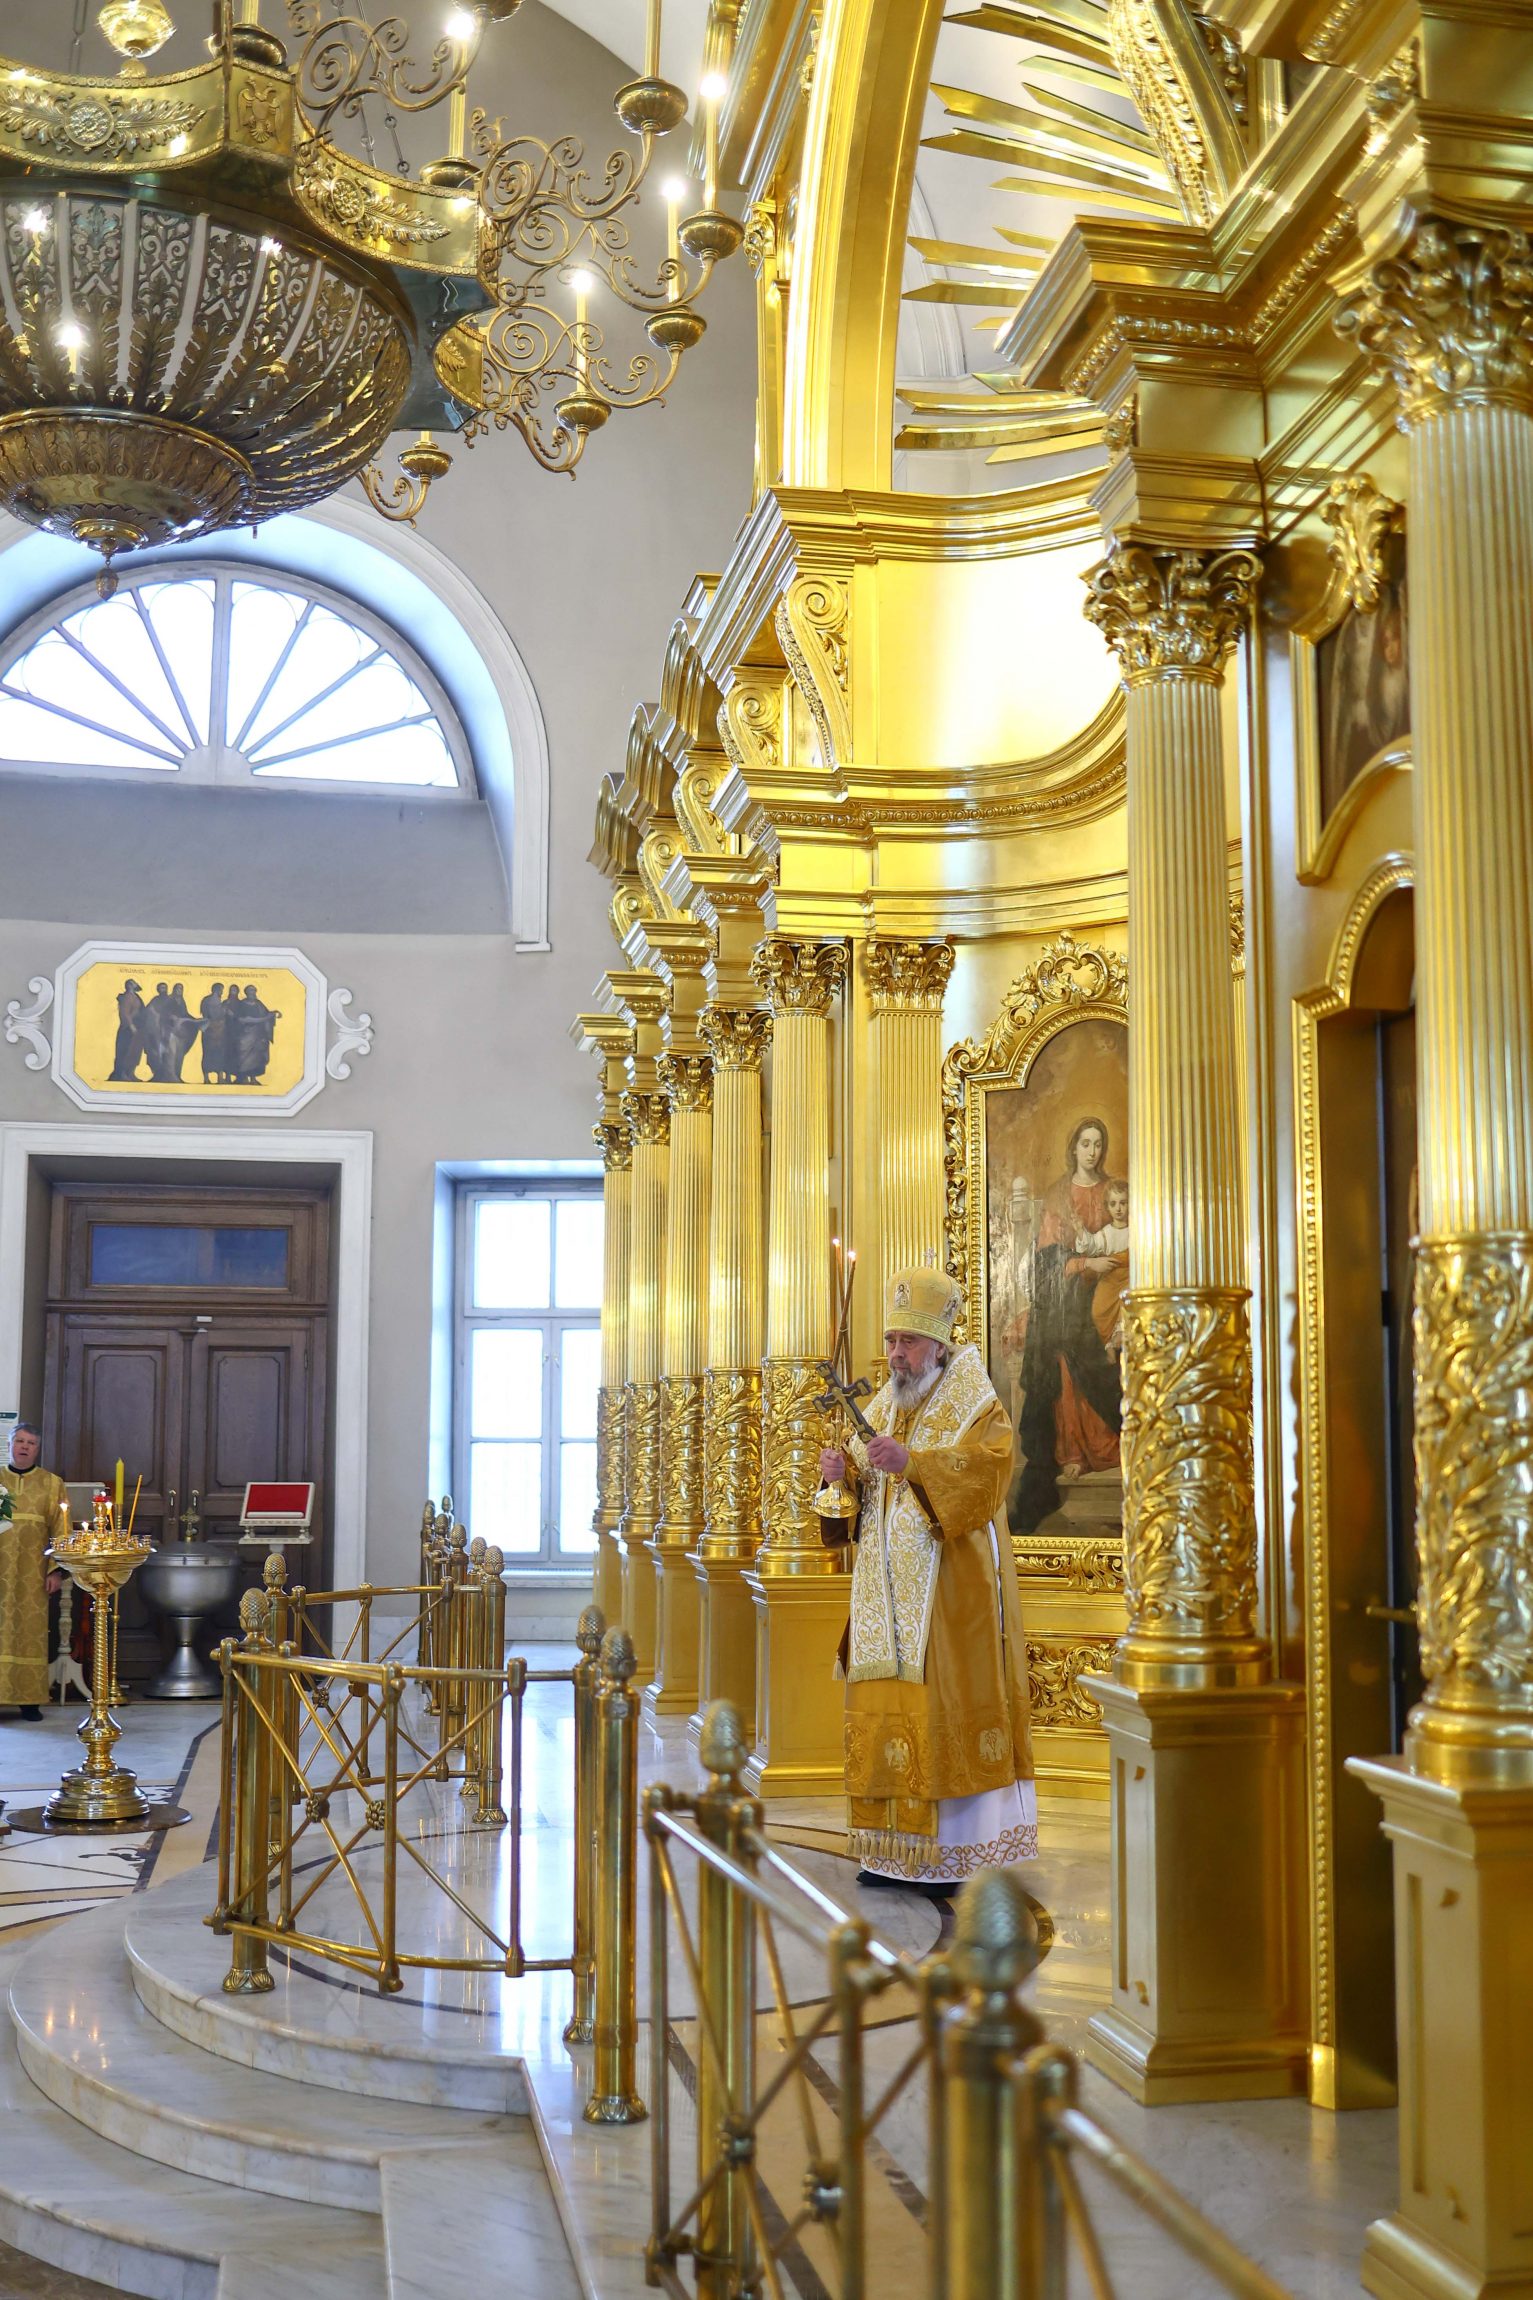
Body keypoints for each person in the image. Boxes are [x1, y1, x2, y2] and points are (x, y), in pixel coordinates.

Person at [819, 1265, 1035, 1899]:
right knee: (886, 1707)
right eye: (891, 1340)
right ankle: (888, 1852)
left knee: (941, 1705)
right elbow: (856, 1502)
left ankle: (953, 1855)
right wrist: (839, 1476)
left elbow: (990, 1474)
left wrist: (915, 1463)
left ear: (938, 1344)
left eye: (908, 1342)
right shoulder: (884, 1404)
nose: (896, 1354)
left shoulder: (976, 1402)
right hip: (882, 1604)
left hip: (949, 1598)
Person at [1010, 1116, 1124, 1530]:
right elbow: (1046, 1261)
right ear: (1074, 1147)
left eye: (1098, 1144)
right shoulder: (1059, 1195)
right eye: (1085, 1143)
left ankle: (1110, 1447)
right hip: (1071, 1294)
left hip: (1111, 1291)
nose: (1092, 1151)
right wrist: (1084, 1264)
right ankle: (1073, 1452)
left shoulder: (1114, 1191)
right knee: (1060, 1342)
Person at [0, 1421, 68, 1719]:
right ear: (9, 1445)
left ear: (38, 1449)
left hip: (33, 1572)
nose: (25, 1447)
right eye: (20, 1441)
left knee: (30, 1631)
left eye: (31, 1443)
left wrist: (56, 1570)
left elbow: (61, 1530)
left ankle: (29, 1701)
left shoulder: (52, 1484)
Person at [108, 978, 146, 1081]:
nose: (131, 985)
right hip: (128, 1029)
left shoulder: (137, 997)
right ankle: (122, 1074)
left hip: (138, 1028)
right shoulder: (126, 997)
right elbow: (124, 1013)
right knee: (125, 1051)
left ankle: (130, 1073)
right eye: (129, 983)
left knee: (135, 1051)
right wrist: (131, 1025)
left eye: (133, 983)